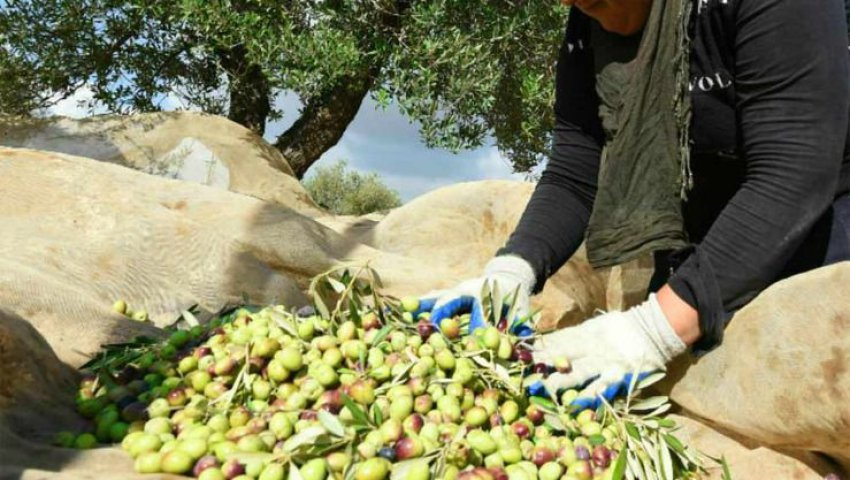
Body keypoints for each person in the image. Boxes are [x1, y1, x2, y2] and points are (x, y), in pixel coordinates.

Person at [423, 0, 850, 409]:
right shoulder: (588, 19)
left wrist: (653, 330)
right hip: (700, 250)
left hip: (814, 239)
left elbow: (792, 170)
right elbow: (576, 169)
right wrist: (513, 270)